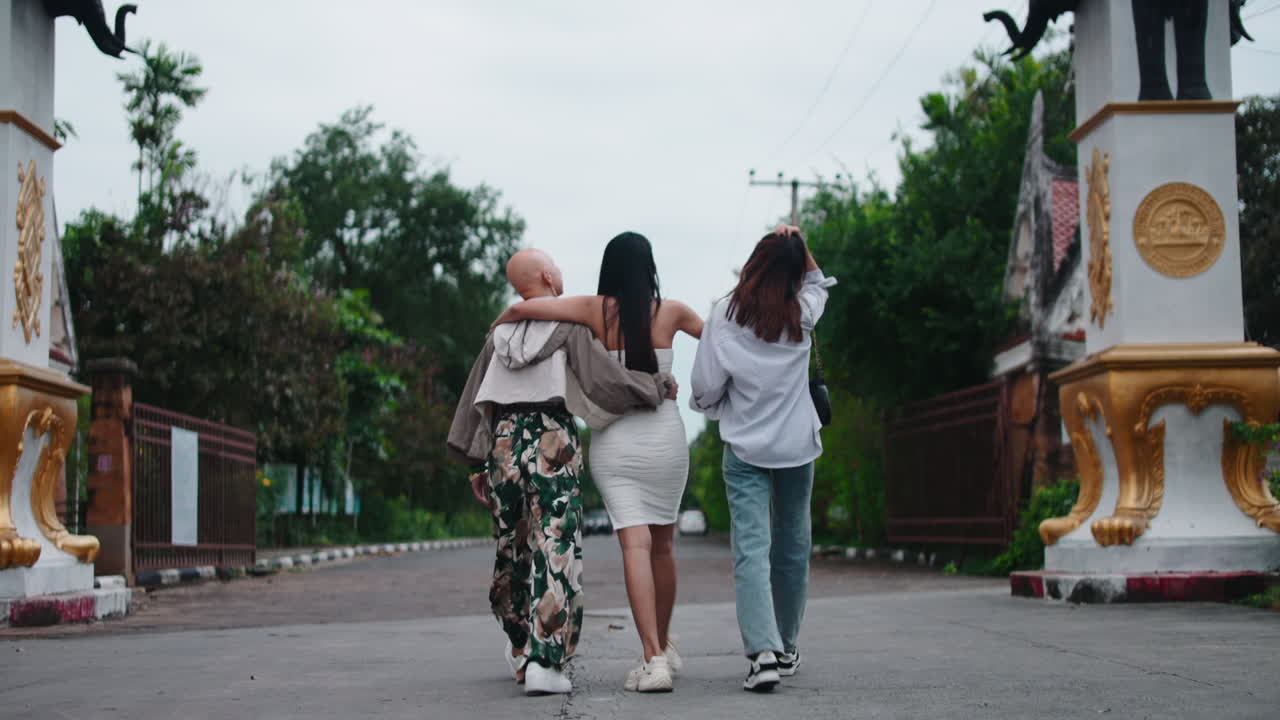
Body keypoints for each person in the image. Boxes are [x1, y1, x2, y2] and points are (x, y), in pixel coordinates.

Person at [447, 248, 679, 696]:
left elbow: (474, 399)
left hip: (504, 441)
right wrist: (655, 385)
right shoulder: (568, 327)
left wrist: (477, 463)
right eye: (554, 264)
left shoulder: (498, 334)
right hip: (551, 436)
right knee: (555, 546)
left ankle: (520, 646)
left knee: (513, 547)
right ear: (549, 277)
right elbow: (604, 381)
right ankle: (544, 661)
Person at [687, 226, 835, 692]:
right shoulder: (802, 313)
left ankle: (763, 655)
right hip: (797, 447)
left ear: (754, 264)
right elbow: (819, 282)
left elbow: (704, 387)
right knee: (792, 547)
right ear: (792, 272)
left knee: (752, 550)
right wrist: (800, 243)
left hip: (745, 449)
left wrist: (721, 405)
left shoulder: (725, 315)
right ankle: (786, 647)